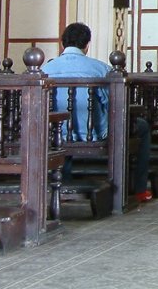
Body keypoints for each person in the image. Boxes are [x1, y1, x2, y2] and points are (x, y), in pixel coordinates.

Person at [43, 22, 152, 202]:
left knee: (62, 133)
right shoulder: (101, 69)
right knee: (142, 127)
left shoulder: (45, 70)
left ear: (62, 44)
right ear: (87, 45)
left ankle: (64, 184)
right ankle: (139, 189)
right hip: (93, 134)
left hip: (55, 132)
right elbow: (114, 104)